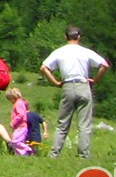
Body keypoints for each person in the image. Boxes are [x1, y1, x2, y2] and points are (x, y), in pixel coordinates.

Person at [39, 25, 110, 159]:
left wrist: (55, 82)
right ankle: (83, 155)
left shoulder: (59, 52)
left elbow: (44, 68)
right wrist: (95, 80)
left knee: (63, 124)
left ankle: (54, 154)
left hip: (68, 86)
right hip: (83, 85)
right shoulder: (86, 52)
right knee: (84, 125)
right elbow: (104, 65)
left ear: (65, 37)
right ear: (79, 37)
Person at [7, 88, 36, 156]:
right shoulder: (20, 103)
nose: (10, 101)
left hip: (21, 126)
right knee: (19, 142)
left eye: (10, 99)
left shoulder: (18, 103)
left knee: (15, 141)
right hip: (19, 126)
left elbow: (21, 114)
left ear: (13, 97)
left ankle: (29, 149)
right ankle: (23, 154)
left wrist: (13, 122)